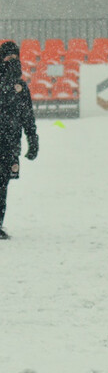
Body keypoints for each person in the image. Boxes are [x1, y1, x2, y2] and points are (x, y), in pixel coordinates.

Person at [0, 40, 38, 240]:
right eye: (8, 56)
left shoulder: (21, 87)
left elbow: (28, 117)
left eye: (15, 56)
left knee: (3, 183)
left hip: (11, 143)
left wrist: (33, 140)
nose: (12, 60)